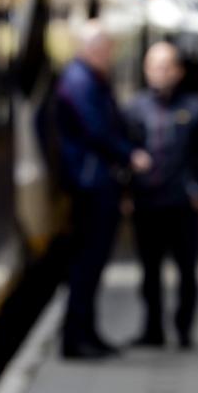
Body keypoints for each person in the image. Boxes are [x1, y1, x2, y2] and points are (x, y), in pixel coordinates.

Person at [52, 22, 152, 359]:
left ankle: (88, 334)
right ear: (92, 48)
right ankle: (76, 339)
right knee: (87, 262)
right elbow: (96, 129)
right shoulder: (80, 82)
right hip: (91, 183)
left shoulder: (87, 79)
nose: (111, 55)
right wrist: (129, 155)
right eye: (107, 49)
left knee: (92, 263)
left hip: (94, 180)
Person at [125, 42, 198, 349]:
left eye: (166, 67)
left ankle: (184, 329)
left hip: (182, 202)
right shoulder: (135, 108)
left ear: (178, 71)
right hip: (147, 201)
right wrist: (126, 193)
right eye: (154, 66)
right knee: (150, 271)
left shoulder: (196, 108)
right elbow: (123, 155)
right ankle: (153, 329)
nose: (159, 73)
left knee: (187, 271)